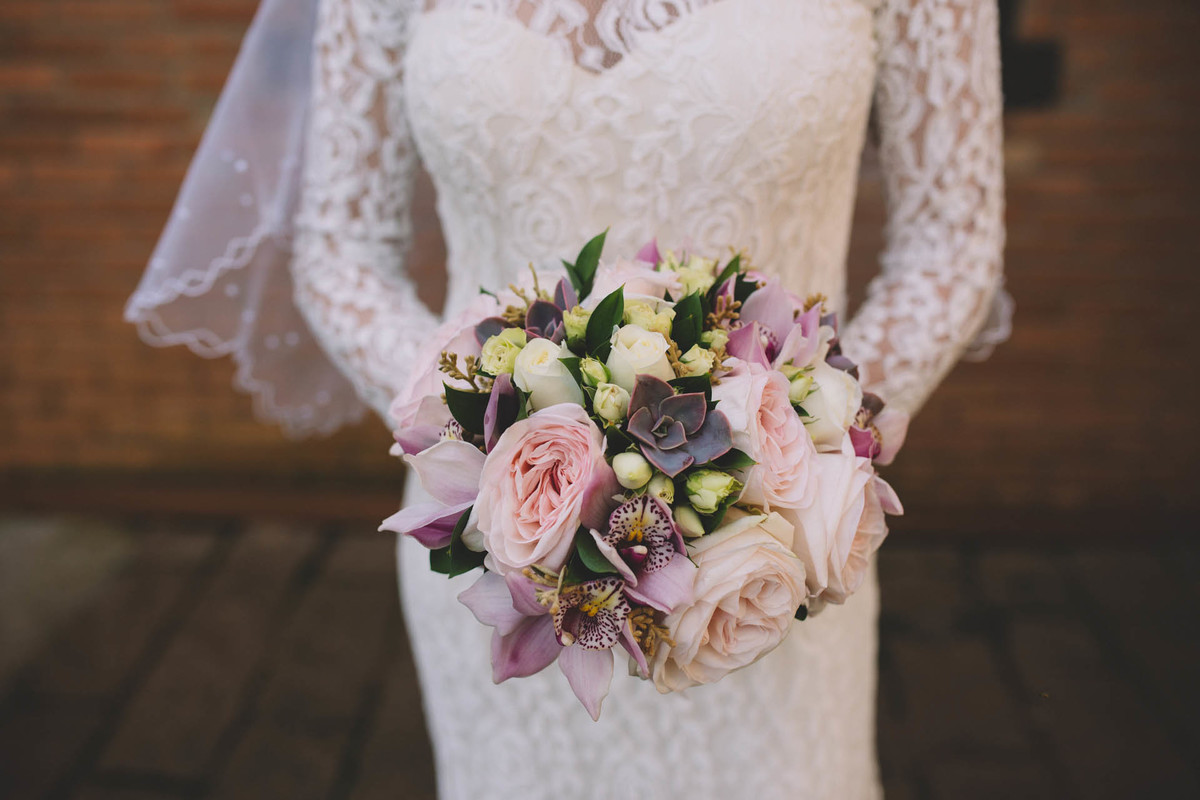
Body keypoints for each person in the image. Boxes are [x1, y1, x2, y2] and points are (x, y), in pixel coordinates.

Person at [128, 0, 1012, 796]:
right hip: (507, 547)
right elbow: (342, 248)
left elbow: (951, 241)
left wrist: (807, 456)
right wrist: (486, 442)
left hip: (768, 567)